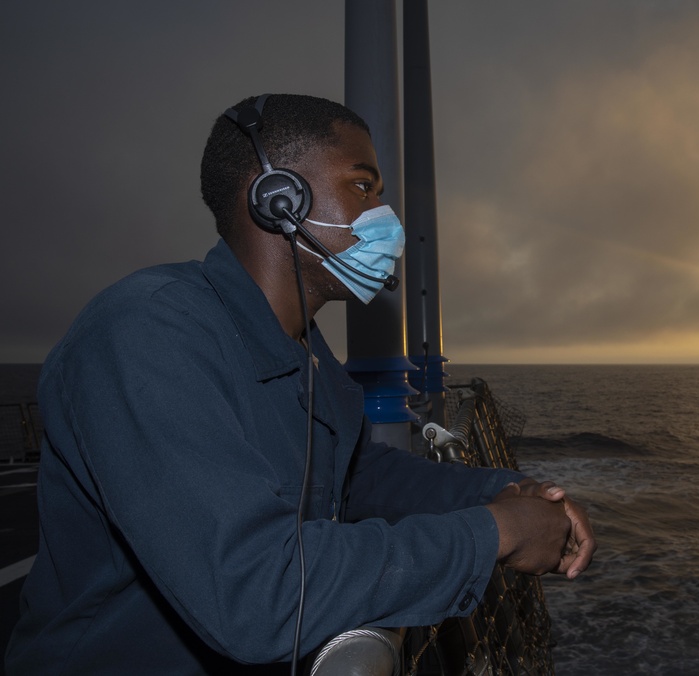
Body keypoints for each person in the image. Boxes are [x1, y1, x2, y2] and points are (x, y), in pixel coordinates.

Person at [5, 93, 595, 674]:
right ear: (277, 198)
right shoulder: (145, 333)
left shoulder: (307, 350)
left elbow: (358, 472)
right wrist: (498, 532)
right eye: (363, 187)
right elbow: (255, 591)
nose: (385, 220)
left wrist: (511, 492)